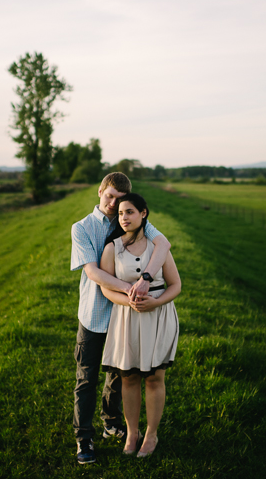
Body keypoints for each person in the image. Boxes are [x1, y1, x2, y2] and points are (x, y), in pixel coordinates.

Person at [70, 173, 171, 465]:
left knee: (120, 374)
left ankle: (111, 421)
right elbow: (93, 272)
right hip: (94, 313)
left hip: (124, 315)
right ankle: (83, 436)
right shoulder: (82, 228)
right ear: (100, 192)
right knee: (87, 377)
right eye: (109, 196)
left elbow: (163, 245)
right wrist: (133, 288)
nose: (114, 204)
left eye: (119, 199)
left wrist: (148, 278)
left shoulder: (129, 219)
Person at [99, 193, 181, 458]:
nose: (124, 218)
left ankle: (151, 435)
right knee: (129, 377)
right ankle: (132, 433)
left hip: (158, 316)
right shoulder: (112, 248)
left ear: (143, 213)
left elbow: (176, 285)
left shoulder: (159, 248)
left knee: (155, 378)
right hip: (127, 319)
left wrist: (155, 303)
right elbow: (106, 288)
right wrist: (128, 303)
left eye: (130, 212)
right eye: (121, 213)